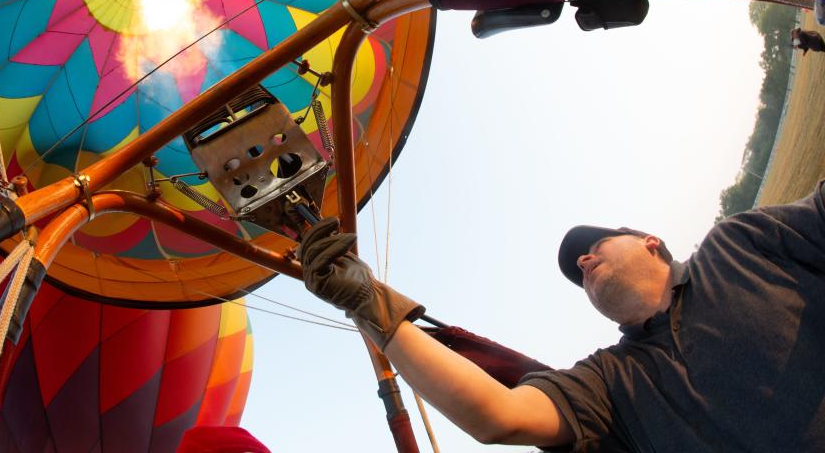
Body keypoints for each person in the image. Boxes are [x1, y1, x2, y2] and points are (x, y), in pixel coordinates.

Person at [299, 182, 825, 451]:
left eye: (595, 246)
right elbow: (498, 416)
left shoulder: (737, 246)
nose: (582, 261)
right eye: (578, 269)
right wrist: (368, 303)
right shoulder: (610, 382)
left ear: (651, 242)